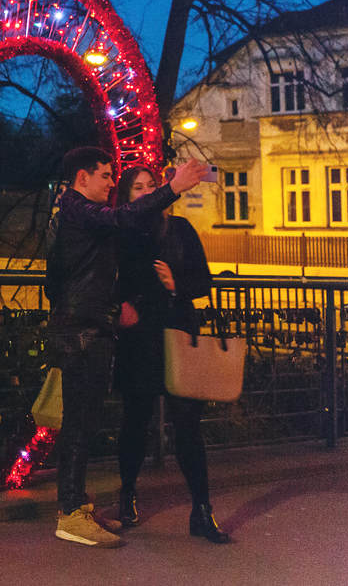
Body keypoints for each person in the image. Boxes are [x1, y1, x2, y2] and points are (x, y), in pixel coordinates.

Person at [45, 146, 207, 548]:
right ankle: (70, 513)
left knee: (84, 424)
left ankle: (78, 506)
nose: (109, 183)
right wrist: (172, 187)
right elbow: (121, 220)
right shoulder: (79, 210)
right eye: (104, 175)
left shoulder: (79, 212)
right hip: (84, 330)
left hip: (94, 326)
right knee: (81, 426)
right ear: (82, 178)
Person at [114, 165, 230, 543]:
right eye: (138, 188)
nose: (147, 193)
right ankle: (127, 492)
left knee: (188, 424)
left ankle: (202, 509)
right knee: (136, 419)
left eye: (152, 186)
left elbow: (204, 281)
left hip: (178, 330)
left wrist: (175, 284)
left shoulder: (180, 229)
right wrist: (123, 304)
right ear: (127, 196)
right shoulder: (123, 231)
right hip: (139, 335)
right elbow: (108, 278)